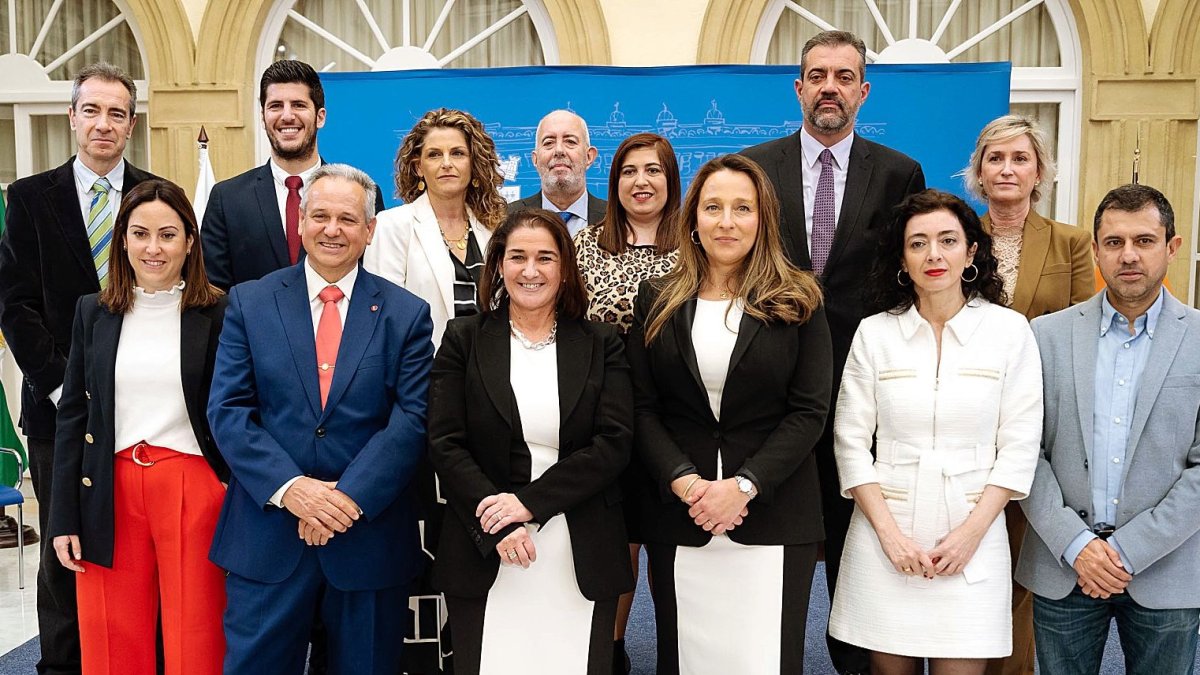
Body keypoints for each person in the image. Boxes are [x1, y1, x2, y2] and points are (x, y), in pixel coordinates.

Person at [740, 31, 925, 673]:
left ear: (863, 91)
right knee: (773, 533)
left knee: (857, 538)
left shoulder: (899, 173)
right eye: (817, 75)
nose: (829, 87)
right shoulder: (755, 169)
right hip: (774, 381)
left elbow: (907, 276)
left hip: (864, 383)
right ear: (798, 89)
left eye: (844, 77)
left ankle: (851, 658)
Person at [207, 164, 433, 675]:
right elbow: (228, 410)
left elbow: (412, 419)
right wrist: (294, 490)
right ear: (303, 220)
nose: (333, 229)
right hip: (268, 537)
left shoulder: (406, 314)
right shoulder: (249, 301)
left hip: (367, 541)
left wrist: (344, 500)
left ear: (370, 230)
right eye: (322, 215)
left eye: (348, 219)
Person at [628, 154, 832, 674]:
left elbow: (809, 412)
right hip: (683, 515)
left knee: (764, 659)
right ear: (692, 217)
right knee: (687, 659)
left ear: (763, 218)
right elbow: (642, 407)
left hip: (774, 514)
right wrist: (687, 485)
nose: (726, 221)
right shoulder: (656, 298)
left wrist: (741, 487)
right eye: (713, 207)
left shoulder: (799, 297)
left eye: (742, 208)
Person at [828, 189, 1043, 674]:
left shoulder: (1010, 332)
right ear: (902, 260)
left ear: (971, 252)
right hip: (887, 533)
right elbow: (850, 442)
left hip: (972, 531)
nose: (934, 255)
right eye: (918, 243)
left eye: (948, 240)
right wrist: (891, 537)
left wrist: (970, 535)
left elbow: (1019, 446)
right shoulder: (875, 333)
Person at [0, 61, 157, 675]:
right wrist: (66, 384)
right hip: (55, 408)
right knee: (64, 552)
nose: (103, 124)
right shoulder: (30, 197)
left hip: (143, 408)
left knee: (130, 548)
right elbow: (16, 304)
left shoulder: (154, 195)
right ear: (72, 117)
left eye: (116, 113)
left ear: (130, 124)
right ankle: (62, 667)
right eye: (91, 110)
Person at [428, 208, 634, 675]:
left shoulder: (603, 343)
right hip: (488, 542)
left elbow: (614, 443)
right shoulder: (464, 339)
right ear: (498, 265)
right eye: (517, 256)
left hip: (579, 545)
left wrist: (528, 504)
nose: (530, 270)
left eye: (545, 257)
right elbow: (445, 442)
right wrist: (500, 519)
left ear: (564, 269)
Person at [1017, 184, 1200, 675]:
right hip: (1064, 563)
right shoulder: (1045, 336)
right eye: (1115, 243)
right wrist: (1078, 547)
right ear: (1095, 250)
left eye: (1144, 240)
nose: (1129, 256)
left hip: (1168, 568)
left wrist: (1123, 551)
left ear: (1172, 247)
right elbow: (1022, 452)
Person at [47, 179, 228, 675]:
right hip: (108, 488)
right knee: (110, 636)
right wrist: (63, 517)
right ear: (122, 239)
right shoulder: (94, 312)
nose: (154, 248)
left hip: (192, 487)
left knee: (197, 636)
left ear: (190, 242)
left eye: (168, 234)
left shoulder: (220, 311)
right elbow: (73, 419)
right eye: (141, 233)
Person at [963, 114, 1094, 675]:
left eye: (1020, 158)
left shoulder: (1071, 243)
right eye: (996, 158)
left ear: (1039, 170)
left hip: (1038, 427)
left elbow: (1086, 332)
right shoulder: (954, 235)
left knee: (1021, 565)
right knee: (962, 558)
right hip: (961, 422)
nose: (1007, 169)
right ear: (979, 170)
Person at [571, 131, 681, 673]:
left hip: (676, 419)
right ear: (613, 183)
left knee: (669, 546)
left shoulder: (698, 245)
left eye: (654, 170)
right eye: (630, 171)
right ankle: (609, 653)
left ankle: (675, 651)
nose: (642, 181)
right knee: (617, 545)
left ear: (671, 180)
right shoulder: (584, 245)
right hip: (602, 418)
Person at [200, 59, 385, 291]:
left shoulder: (362, 195)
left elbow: (374, 282)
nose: (287, 116)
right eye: (276, 106)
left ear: (320, 116)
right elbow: (215, 292)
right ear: (263, 116)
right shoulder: (227, 199)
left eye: (298, 105)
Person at [363, 107, 506, 345]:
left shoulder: (493, 229)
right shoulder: (392, 226)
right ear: (418, 167)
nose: (447, 163)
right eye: (434, 155)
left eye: (458, 153)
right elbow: (382, 320)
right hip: (423, 372)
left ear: (474, 163)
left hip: (488, 371)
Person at [507, 110, 607, 236]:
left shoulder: (617, 219)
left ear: (589, 157)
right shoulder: (508, 219)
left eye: (570, 142)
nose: (559, 150)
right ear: (535, 160)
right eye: (549, 143)